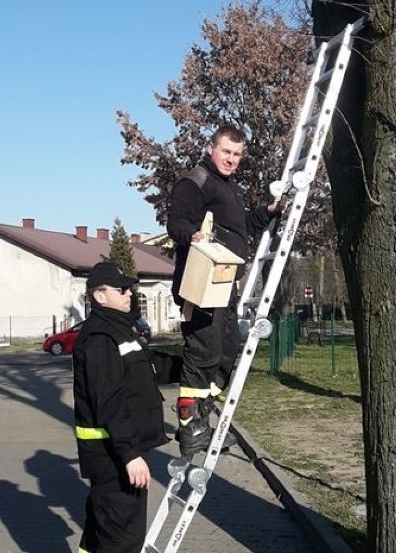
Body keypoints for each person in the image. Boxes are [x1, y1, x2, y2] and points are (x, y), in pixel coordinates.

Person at [167, 124, 284, 457]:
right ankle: (190, 428)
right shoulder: (197, 181)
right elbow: (176, 221)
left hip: (225, 286)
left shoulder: (229, 187)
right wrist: (192, 234)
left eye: (237, 154)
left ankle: (203, 417)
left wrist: (267, 213)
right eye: (226, 152)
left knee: (226, 351)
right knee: (202, 352)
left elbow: (240, 230)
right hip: (202, 286)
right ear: (210, 147)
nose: (231, 159)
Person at [72, 261, 177, 553]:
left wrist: (187, 369)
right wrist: (130, 455)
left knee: (99, 533)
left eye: (128, 288)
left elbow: (149, 369)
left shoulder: (121, 331)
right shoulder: (100, 339)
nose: (128, 294)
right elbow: (110, 402)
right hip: (112, 458)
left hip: (116, 453)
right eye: (121, 289)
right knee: (122, 539)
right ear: (99, 296)